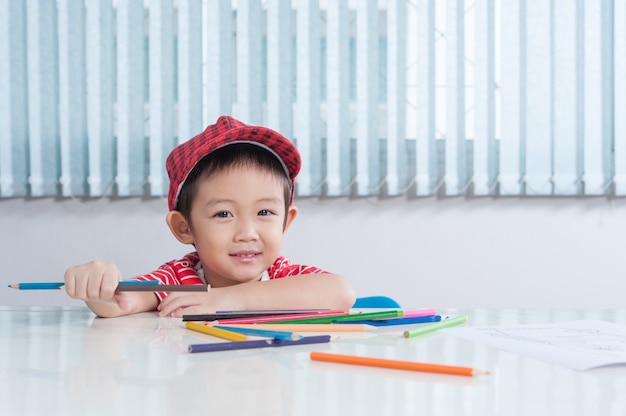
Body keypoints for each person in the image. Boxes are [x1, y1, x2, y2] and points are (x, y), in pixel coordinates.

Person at [64, 116, 355, 318]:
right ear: (184, 227)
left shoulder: (280, 275)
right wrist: (96, 286)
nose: (246, 233)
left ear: (285, 222)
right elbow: (121, 303)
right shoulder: (177, 279)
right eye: (223, 213)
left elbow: (340, 292)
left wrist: (225, 300)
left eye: (264, 212)